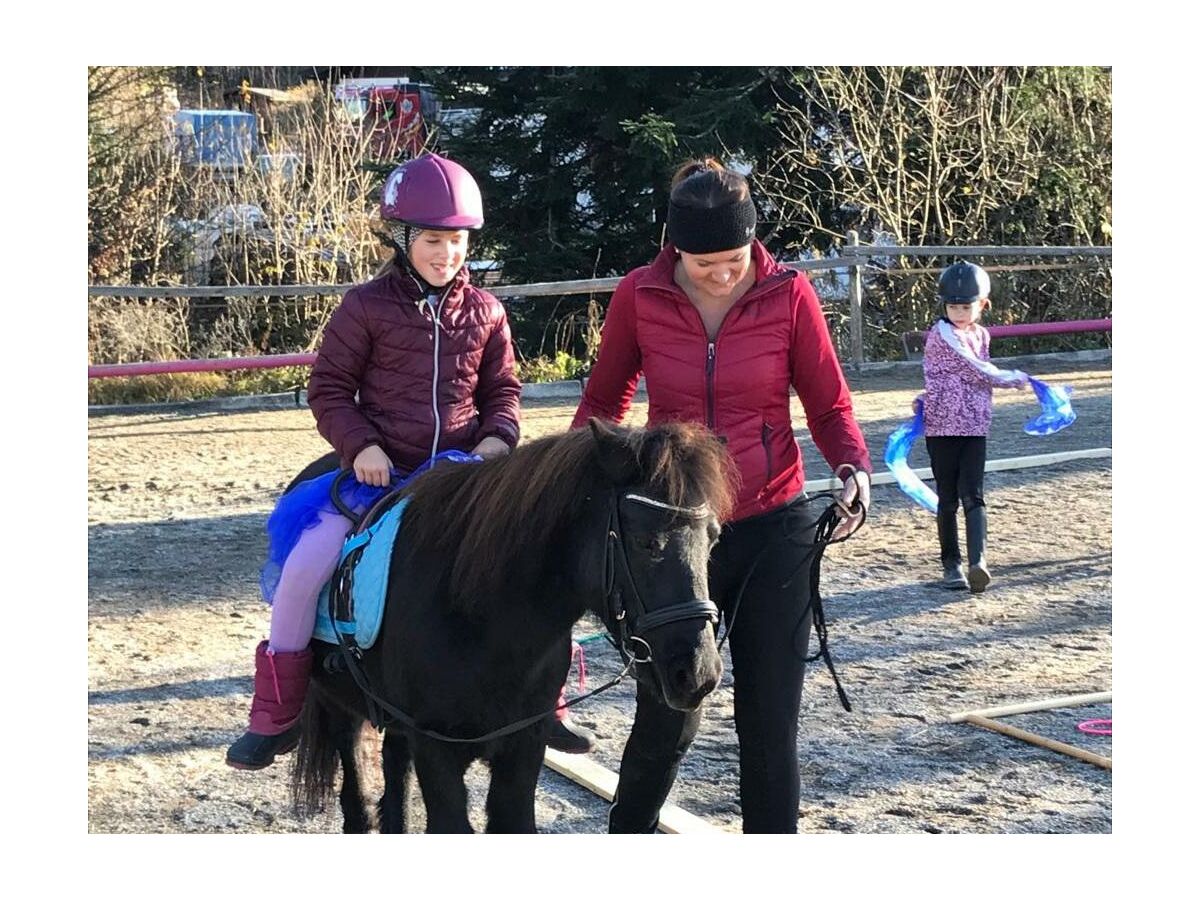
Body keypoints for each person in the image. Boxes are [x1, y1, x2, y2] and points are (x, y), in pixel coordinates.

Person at [570, 158, 872, 833]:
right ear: (675, 248)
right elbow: (604, 399)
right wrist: (581, 475)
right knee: (668, 716)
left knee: (769, 726)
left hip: (774, 527)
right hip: (676, 531)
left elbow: (829, 405)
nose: (724, 273)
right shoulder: (638, 297)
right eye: (706, 263)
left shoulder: (790, 295)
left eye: (735, 258)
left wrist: (852, 465)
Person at [225, 153, 524, 769]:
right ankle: (277, 708)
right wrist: (361, 446)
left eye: (459, 240)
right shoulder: (364, 308)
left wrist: (498, 439)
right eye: (435, 240)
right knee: (308, 562)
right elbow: (328, 389)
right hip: (380, 472)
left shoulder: (488, 313)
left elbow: (504, 393)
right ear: (404, 238)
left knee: (533, 557)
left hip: (464, 474)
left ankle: (545, 700)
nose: (448, 253)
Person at [915, 261, 1030, 594]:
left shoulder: (982, 334)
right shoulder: (942, 334)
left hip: (975, 424)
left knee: (974, 494)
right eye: (953, 307)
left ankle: (978, 561)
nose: (959, 313)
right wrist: (1014, 378)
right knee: (948, 497)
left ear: (982, 305)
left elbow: (967, 374)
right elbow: (973, 368)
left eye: (966, 307)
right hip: (942, 426)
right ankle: (951, 564)